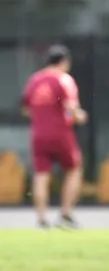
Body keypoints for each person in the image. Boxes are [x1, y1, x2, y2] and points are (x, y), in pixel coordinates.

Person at [21, 44, 88, 229]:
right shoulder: (63, 79)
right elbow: (71, 107)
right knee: (74, 169)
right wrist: (79, 116)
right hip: (61, 133)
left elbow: (26, 109)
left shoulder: (34, 80)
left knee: (41, 175)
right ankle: (65, 214)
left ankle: (41, 220)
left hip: (38, 134)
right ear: (64, 62)